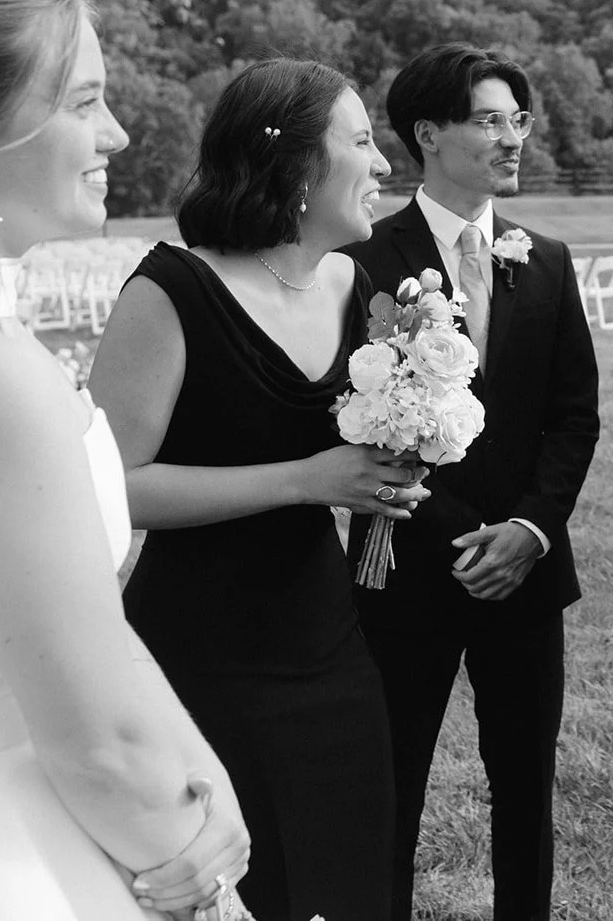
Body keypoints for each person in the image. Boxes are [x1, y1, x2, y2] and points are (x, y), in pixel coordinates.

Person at [0, 0, 251, 921]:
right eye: (83, 102)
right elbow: (101, 744)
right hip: (0, 854)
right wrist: (201, 882)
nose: (117, 133)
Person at [90, 58, 423, 921]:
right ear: (297, 165)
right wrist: (308, 481)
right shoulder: (170, 291)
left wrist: (401, 458)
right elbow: (109, 488)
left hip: (331, 646)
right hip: (200, 653)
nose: (384, 162)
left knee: (349, 877)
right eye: (361, 141)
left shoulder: (359, 284)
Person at [344, 42, 599, 921]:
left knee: (526, 787)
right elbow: (347, 407)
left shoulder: (547, 260)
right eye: (489, 119)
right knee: (389, 789)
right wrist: (455, 533)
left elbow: (574, 418)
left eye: (517, 119)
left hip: (526, 572)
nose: (511, 137)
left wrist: (527, 531)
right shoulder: (364, 260)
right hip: (407, 571)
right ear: (428, 133)